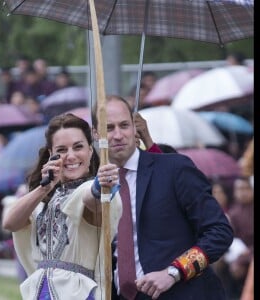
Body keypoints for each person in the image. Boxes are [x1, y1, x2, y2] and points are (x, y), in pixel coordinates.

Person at [92, 95, 234, 300]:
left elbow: (219, 232)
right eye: (109, 128)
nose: (117, 135)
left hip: (183, 292)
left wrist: (173, 272)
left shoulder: (174, 169)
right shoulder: (94, 188)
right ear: (96, 134)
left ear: (135, 127)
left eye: (124, 125)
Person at [2, 113, 122, 300]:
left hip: (77, 293)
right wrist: (44, 188)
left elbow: (91, 200)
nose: (71, 156)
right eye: (62, 149)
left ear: (90, 151)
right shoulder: (44, 199)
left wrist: (100, 186)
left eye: (78, 147)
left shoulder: (87, 189)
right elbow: (10, 223)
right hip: (41, 291)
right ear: (51, 155)